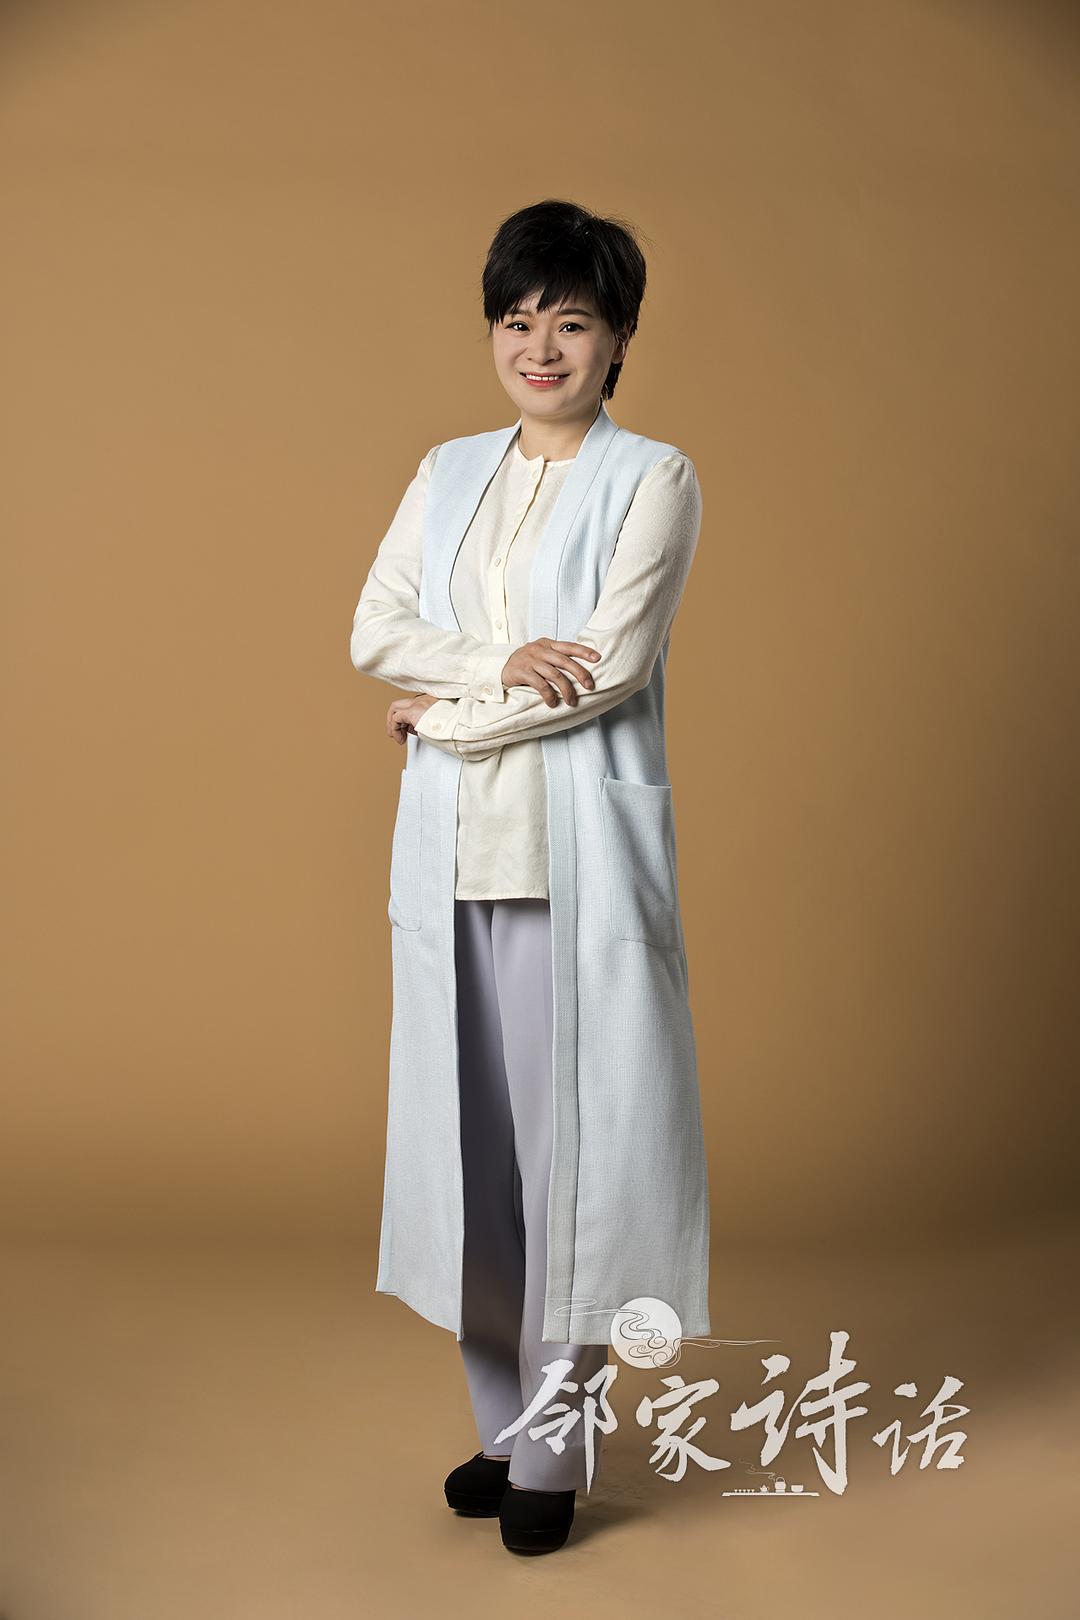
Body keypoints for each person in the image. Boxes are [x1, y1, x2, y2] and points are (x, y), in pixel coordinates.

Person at [349, 198, 710, 1555]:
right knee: (475, 1166)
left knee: (575, 1171)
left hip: (574, 867)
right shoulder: (447, 471)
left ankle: (556, 1453)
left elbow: (607, 666)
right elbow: (376, 628)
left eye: (572, 322)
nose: (541, 348)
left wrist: (439, 717)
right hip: (451, 859)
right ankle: (503, 1431)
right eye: (518, 320)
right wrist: (490, 665)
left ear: (618, 340)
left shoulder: (654, 478)